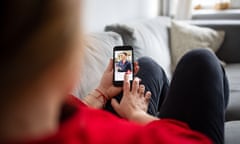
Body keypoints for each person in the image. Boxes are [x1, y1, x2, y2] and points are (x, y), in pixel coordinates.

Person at [0, 0, 229, 144]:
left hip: (108, 114)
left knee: (148, 65)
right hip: (136, 124)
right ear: (64, 69)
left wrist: (101, 92)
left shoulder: (49, 111)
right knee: (203, 62)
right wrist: (137, 115)